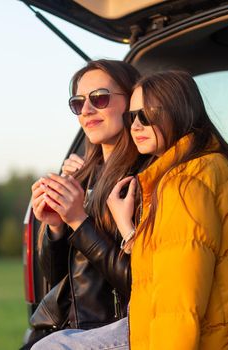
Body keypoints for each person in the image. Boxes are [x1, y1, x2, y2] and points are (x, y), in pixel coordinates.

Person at [105, 70, 228, 350]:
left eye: (147, 114)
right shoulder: (219, 165)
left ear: (179, 111)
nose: (136, 126)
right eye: (131, 117)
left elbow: (177, 307)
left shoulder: (184, 183)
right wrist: (131, 233)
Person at [23, 59, 145, 350]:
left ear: (132, 101)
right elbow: (58, 280)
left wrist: (78, 220)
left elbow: (141, 284)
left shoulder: (144, 177)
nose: (87, 110)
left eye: (99, 98)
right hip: (71, 326)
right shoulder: (85, 174)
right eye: (78, 103)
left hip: (116, 328)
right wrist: (55, 226)